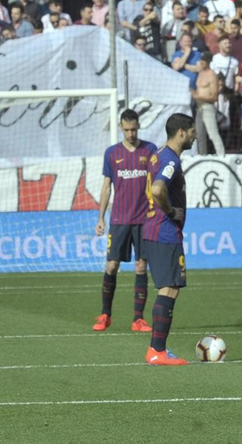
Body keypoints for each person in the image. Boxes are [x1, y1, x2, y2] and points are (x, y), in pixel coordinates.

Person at [94, 109, 153, 332]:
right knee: (112, 265)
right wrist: (101, 217)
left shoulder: (149, 150)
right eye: (127, 129)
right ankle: (105, 315)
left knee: (141, 266)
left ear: (138, 127)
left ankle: (138, 319)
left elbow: (157, 183)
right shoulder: (112, 153)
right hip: (119, 219)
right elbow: (106, 187)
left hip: (144, 220)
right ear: (121, 127)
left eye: (134, 129)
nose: (130, 133)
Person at [143, 113, 194, 365]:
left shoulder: (158, 153)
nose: (195, 135)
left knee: (169, 287)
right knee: (170, 288)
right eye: (192, 131)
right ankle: (157, 350)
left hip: (153, 228)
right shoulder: (170, 160)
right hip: (164, 230)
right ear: (182, 132)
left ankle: (157, 349)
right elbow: (157, 189)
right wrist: (171, 211)